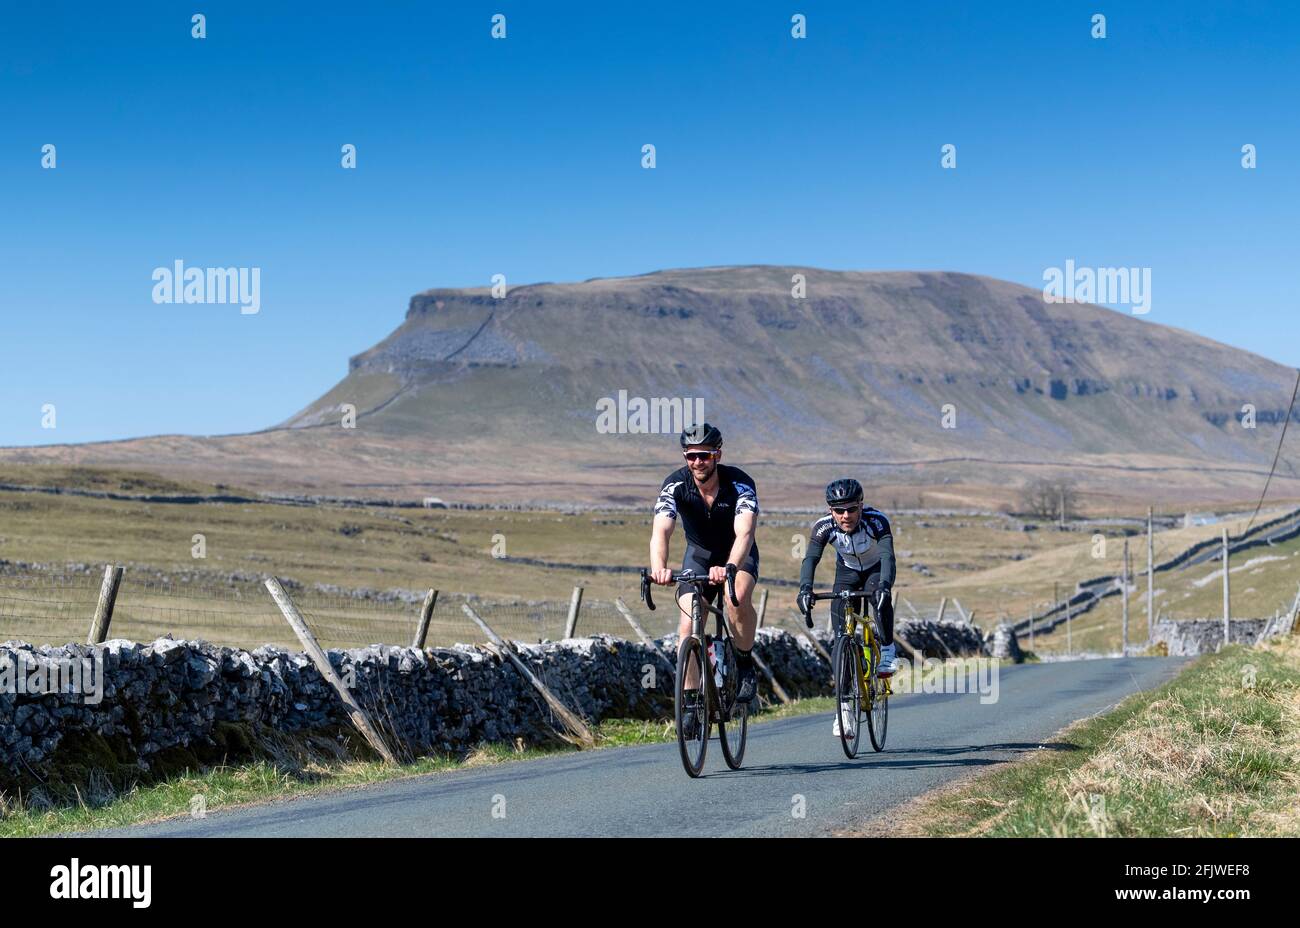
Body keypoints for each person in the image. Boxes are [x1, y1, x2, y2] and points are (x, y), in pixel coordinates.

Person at [647, 423, 760, 735]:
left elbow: (745, 532)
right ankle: (692, 702)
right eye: (691, 456)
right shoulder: (674, 484)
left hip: (737, 552)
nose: (698, 462)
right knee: (688, 624)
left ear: (717, 455)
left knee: (735, 596)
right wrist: (659, 567)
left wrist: (730, 566)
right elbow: (661, 531)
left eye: (705, 456)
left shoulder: (740, 483)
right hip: (698, 555)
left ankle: (746, 662)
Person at [796, 478, 898, 738]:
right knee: (840, 639)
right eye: (839, 510)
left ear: (861, 506)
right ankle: (843, 709)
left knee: (880, 597)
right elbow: (811, 558)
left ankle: (886, 649)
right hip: (848, 572)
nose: (846, 515)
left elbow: (887, 556)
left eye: (852, 509)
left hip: (876, 570)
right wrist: (805, 589)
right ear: (830, 510)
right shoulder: (823, 527)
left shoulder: (876, 521)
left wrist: (885, 585)